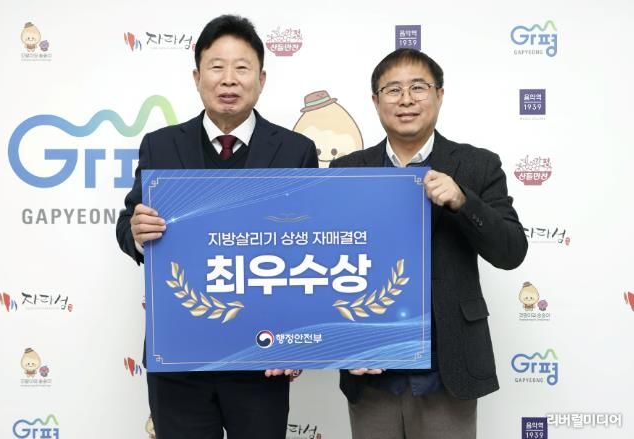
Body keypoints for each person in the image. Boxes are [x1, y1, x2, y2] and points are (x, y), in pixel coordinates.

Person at [116, 14, 318, 439]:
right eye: (216, 66)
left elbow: (310, 247)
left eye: (242, 67)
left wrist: (296, 339)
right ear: (197, 77)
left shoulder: (295, 150)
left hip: (261, 353)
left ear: (261, 79)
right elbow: (127, 223)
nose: (229, 79)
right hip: (179, 355)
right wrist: (135, 232)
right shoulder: (161, 145)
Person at [330, 48, 528, 439]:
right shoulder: (347, 171)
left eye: (418, 88)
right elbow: (324, 263)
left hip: (447, 368)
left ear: (439, 95)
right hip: (372, 370)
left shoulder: (478, 165)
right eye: (393, 90)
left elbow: (511, 252)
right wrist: (344, 343)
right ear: (375, 101)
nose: (406, 100)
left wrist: (464, 200)